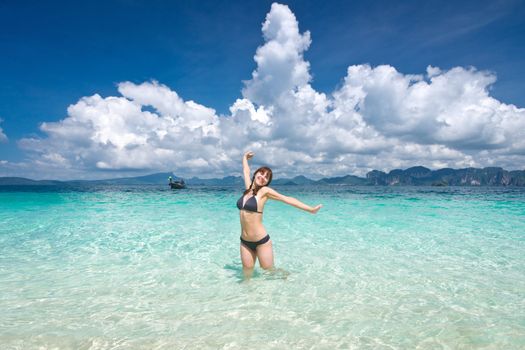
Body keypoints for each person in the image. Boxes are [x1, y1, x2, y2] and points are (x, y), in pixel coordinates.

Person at [237, 151, 322, 278]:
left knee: (270, 272)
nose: (263, 177)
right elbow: (245, 171)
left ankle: (289, 279)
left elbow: (286, 199)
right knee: (247, 274)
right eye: (262, 173)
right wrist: (244, 158)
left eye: (267, 177)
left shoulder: (264, 192)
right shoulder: (248, 189)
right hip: (244, 241)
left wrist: (310, 209)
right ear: (256, 174)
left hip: (261, 241)